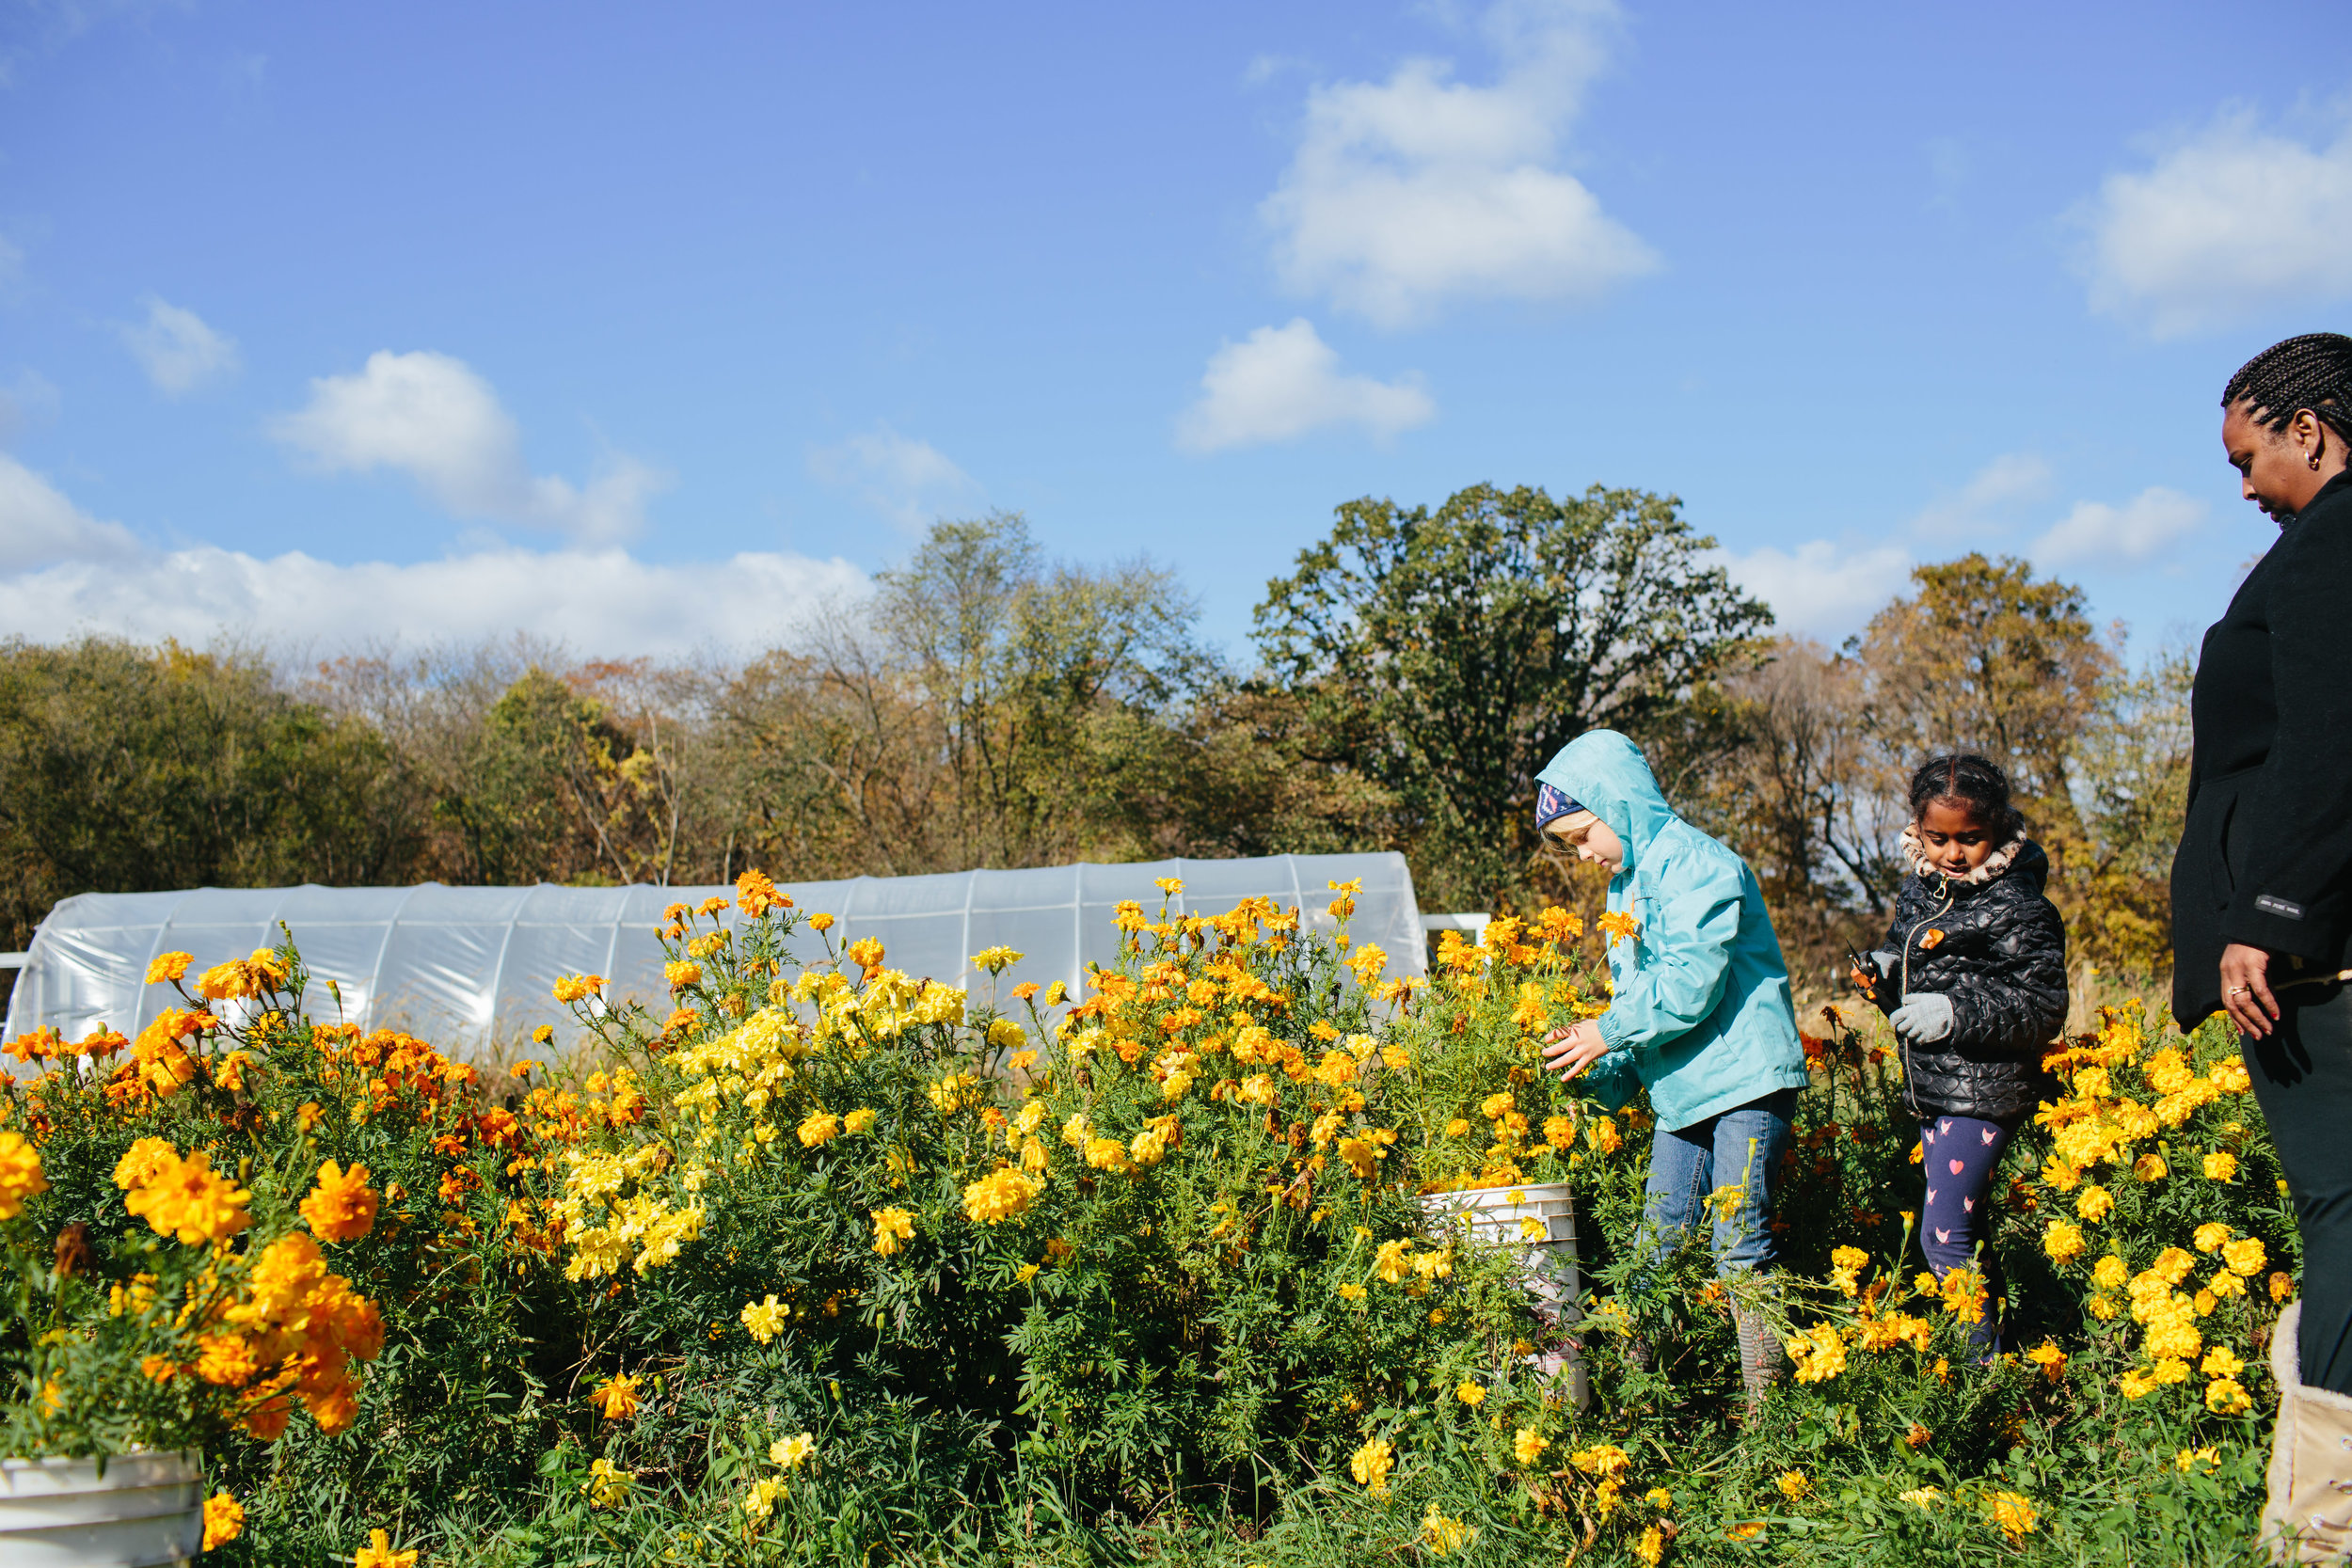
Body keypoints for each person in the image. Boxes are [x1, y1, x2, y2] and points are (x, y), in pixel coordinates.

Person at [2169, 332, 2352, 1562]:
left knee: (2345, 1206)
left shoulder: (2338, 542)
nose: (2243, 487)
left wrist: (2268, 916)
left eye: (2249, 457)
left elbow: (2330, 740)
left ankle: (2324, 1521)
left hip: (2318, 955)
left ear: (2311, 428)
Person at [1534, 729, 1809, 1412]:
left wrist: (1608, 1031)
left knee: (1739, 1247)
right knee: (1651, 1254)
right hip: (1684, 1096)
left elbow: (1691, 984)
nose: (1585, 855)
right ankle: (1639, 1407)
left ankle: (1769, 1422)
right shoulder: (1624, 894)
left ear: (1619, 804)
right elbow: (1637, 1011)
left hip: (1747, 1083)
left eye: (1583, 835)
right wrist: (1595, 1067)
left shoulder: (1698, 863)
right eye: (1572, 844)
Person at [1851, 754, 2066, 1354]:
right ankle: (2001, 1357)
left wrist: (1952, 1012)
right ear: (1917, 831)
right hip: (1936, 1090)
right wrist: (1884, 971)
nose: (1952, 852)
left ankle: (1979, 1375)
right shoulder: (1920, 891)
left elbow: (2043, 1005)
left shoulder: (2020, 906)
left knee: (1943, 1239)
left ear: (1998, 831)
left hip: (1984, 1092)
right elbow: (1906, 949)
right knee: (1962, 1234)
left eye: (1970, 838)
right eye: (1937, 838)